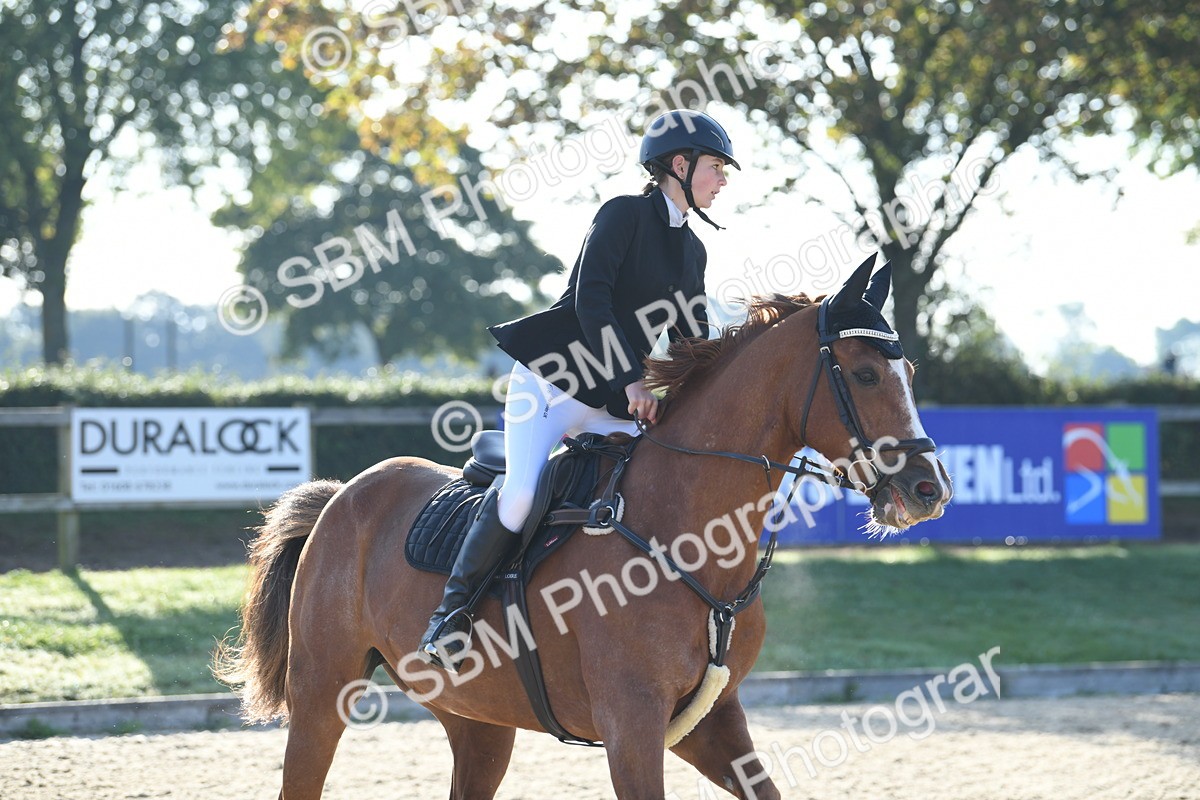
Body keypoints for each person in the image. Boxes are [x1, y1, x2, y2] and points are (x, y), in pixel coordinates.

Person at [419, 108, 739, 671]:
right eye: (716, 167)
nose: (723, 180)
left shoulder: (692, 250)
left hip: (611, 403)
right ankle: (451, 616)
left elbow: (692, 338)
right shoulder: (623, 216)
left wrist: (726, 376)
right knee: (520, 493)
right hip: (552, 383)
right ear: (680, 165)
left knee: (652, 480)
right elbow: (590, 301)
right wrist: (636, 379)